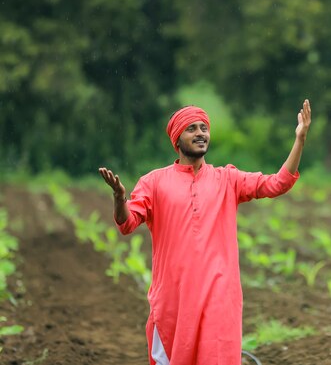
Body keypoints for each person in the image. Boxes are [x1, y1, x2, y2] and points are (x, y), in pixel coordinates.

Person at [98, 99, 311, 365]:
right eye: (191, 129)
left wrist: (299, 140)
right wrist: (120, 198)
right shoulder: (153, 182)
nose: (200, 133)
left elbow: (277, 183)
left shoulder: (227, 179)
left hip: (219, 297)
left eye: (203, 128)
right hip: (173, 300)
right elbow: (127, 223)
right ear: (177, 139)